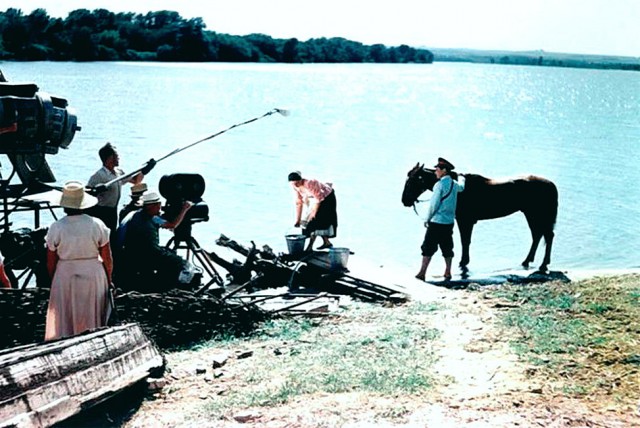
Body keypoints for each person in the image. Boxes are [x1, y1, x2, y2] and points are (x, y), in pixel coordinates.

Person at [44, 181, 113, 341]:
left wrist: (54, 279)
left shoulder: (56, 227)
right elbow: (107, 257)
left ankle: (64, 343)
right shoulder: (97, 224)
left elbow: (50, 261)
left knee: (65, 314)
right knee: (92, 313)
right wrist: (109, 279)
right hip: (93, 273)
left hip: (65, 274)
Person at [120, 190, 194, 290]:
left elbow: (170, 225)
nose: (160, 209)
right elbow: (173, 226)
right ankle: (168, 288)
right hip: (146, 254)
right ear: (150, 206)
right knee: (180, 263)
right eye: (158, 206)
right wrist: (184, 210)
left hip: (132, 252)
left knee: (169, 254)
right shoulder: (150, 221)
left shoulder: (136, 214)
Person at [87, 142, 155, 242]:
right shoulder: (99, 176)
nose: (119, 158)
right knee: (102, 238)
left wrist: (144, 170)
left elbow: (136, 181)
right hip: (101, 211)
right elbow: (87, 194)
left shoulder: (119, 172)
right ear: (110, 158)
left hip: (113, 212)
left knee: (112, 238)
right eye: (117, 156)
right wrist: (96, 190)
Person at [415, 157, 465, 282]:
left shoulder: (439, 185)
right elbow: (462, 187)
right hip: (449, 222)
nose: (435, 171)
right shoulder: (454, 185)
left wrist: (427, 219)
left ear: (444, 170)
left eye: (437, 169)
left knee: (428, 247)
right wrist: (462, 177)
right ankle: (448, 271)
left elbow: (434, 205)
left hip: (437, 222)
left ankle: (422, 273)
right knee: (447, 247)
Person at [288, 171, 338, 251]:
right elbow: (299, 202)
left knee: (314, 222)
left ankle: (309, 247)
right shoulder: (295, 186)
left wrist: (314, 213)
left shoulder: (310, 183)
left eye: (297, 183)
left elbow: (319, 199)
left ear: (301, 180)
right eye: (293, 183)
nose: (296, 185)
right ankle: (326, 242)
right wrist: (298, 220)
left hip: (327, 198)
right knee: (306, 221)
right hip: (314, 199)